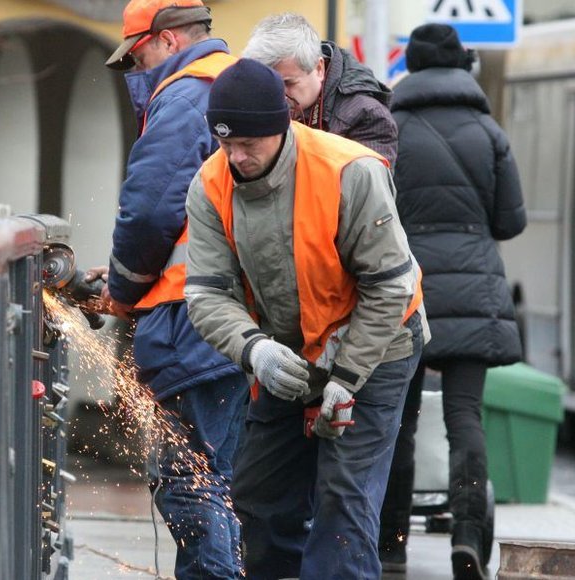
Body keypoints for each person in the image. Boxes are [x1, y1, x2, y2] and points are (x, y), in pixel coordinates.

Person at [184, 58, 429, 580]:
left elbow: (390, 285)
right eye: (226, 143)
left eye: (250, 143)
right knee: (258, 498)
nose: (237, 156)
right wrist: (255, 350)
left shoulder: (350, 171)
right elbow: (206, 294)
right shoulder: (210, 184)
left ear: (283, 127)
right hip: (287, 352)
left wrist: (345, 379)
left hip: (378, 346)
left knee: (343, 501)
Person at [98, 1, 247, 578]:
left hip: (192, 321)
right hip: (230, 318)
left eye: (136, 57)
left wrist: (120, 288)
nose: (136, 71)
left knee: (187, 480)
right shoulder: (228, 86)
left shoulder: (186, 96)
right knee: (215, 477)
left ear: (165, 40)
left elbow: (148, 210)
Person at [376, 23, 526, 580]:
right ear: (462, 67)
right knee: (465, 417)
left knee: (400, 418)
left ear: (409, 67)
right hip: (473, 286)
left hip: (404, 288)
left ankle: (391, 544)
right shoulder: (489, 132)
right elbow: (511, 221)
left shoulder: (390, 129)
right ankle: (467, 536)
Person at [242, 12, 398, 165]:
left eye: (288, 83)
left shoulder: (366, 114)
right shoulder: (249, 100)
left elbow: (367, 186)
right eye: (268, 84)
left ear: (319, 69)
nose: (277, 94)